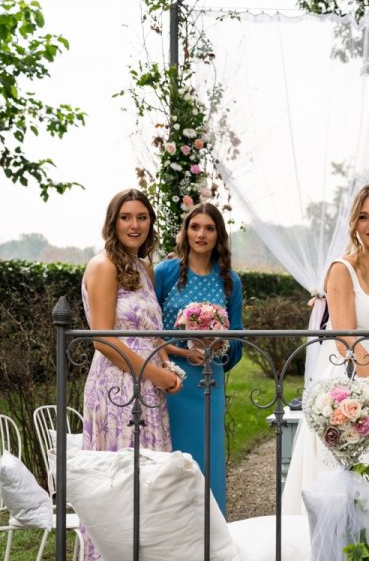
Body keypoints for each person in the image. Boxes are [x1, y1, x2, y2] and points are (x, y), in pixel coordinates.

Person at [282, 184, 369, 514]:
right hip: (353, 383)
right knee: (352, 482)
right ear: (354, 224)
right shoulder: (341, 270)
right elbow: (349, 343)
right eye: (363, 217)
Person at [81, 188, 181, 561]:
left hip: (149, 389)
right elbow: (103, 339)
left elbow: (149, 332)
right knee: (120, 484)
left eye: (141, 217)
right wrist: (154, 373)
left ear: (150, 223)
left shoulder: (142, 267)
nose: (134, 224)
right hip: (116, 388)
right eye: (126, 217)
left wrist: (171, 360)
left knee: (149, 485)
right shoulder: (104, 265)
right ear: (113, 222)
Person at [154, 202, 243, 518]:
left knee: (208, 457)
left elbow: (238, 338)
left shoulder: (230, 280)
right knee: (172, 458)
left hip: (209, 380)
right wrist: (178, 351)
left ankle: (211, 532)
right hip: (171, 379)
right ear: (185, 231)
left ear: (218, 234)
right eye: (195, 227)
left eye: (209, 228)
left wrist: (218, 344)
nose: (201, 234)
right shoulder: (164, 273)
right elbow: (149, 329)